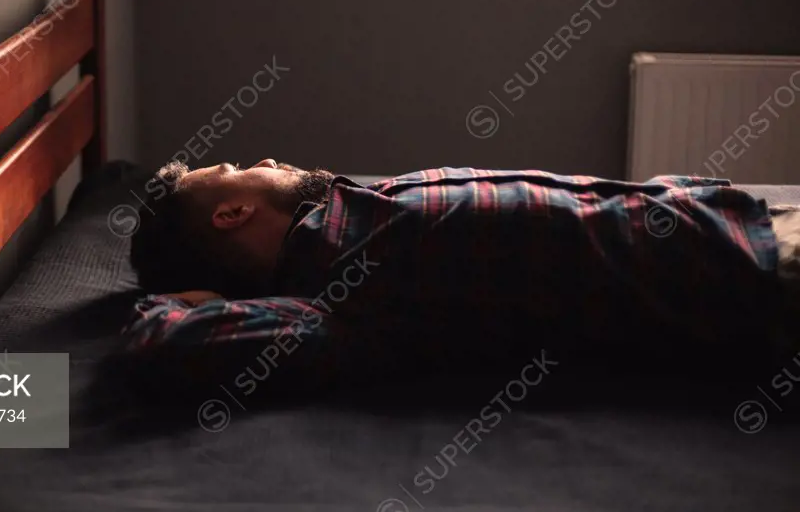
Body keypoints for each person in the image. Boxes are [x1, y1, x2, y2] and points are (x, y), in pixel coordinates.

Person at [126, 159, 800, 377]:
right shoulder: (339, 292)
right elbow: (164, 343)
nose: (268, 156)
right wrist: (184, 304)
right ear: (232, 212)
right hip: (758, 273)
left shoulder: (345, 209)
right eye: (242, 165)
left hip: (738, 215)